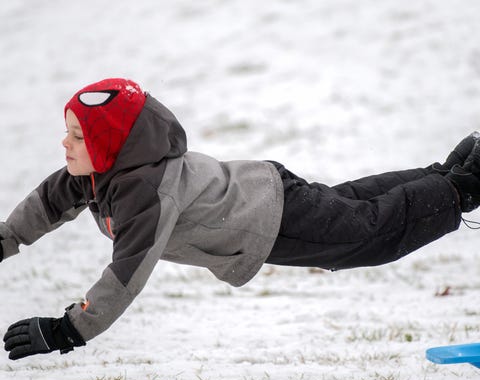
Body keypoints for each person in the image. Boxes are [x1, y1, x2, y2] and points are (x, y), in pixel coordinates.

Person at [2, 78, 480, 361]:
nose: (65, 145)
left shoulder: (144, 191)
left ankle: (462, 187)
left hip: (263, 218)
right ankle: (450, 173)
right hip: (261, 192)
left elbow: (128, 272)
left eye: (77, 137)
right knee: (352, 207)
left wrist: (69, 329)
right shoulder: (94, 175)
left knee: (367, 234)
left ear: (109, 146)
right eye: (67, 133)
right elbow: (41, 208)